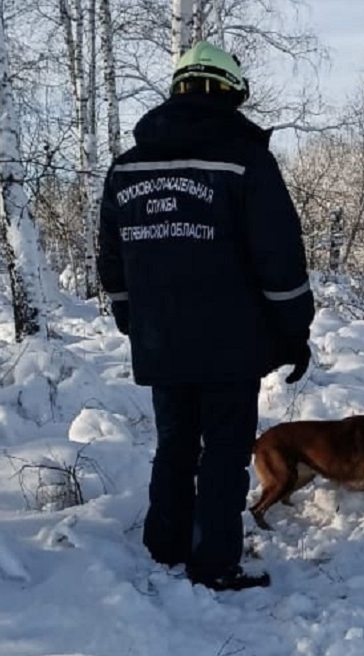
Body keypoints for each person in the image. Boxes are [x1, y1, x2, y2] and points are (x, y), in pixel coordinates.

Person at [96, 41, 314, 592]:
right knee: (222, 450)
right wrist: (294, 331)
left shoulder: (126, 169)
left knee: (174, 443)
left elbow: (111, 260)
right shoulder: (245, 162)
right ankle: (214, 562)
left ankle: (165, 544)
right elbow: (279, 258)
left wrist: (132, 321)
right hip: (229, 344)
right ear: (228, 92)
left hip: (161, 340)